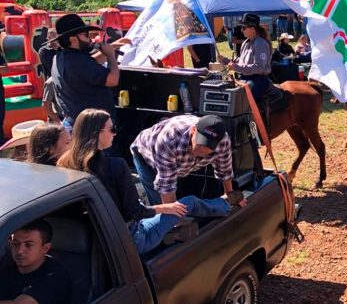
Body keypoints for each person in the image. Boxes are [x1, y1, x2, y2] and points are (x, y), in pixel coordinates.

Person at [59, 109, 241, 254]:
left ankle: (173, 231)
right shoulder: (119, 165)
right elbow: (137, 210)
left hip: (101, 238)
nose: (115, 133)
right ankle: (223, 207)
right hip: (133, 238)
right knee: (188, 203)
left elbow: (224, 169)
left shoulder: (65, 163)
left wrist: (229, 192)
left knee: (170, 209)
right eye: (112, 129)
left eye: (208, 148)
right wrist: (169, 211)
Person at [130, 114, 243, 208]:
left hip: (178, 164)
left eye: (208, 146)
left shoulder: (223, 142)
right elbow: (166, 185)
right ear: (193, 130)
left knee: (181, 202)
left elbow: (224, 170)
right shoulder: (169, 140)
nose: (203, 149)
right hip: (146, 154)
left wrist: (231, 197)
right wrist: (174, 219)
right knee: (161, 205)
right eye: (201, 143)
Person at [0, 220, 72, 304]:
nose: (20, 251)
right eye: (15, 244)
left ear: (45, 248)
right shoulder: (7, 264)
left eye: (28, 245)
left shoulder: (55, 277)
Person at [51, 14, 120, 129]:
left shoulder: (61, 57)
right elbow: (113, 79)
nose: (90, 39)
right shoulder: (78, 62)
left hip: (78, 123)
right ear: (73, 40)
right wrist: (110, 56)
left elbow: (91, 65)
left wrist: (111, 48)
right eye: (86, 35)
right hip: (94, 128)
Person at [221, 13, 274, 106]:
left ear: (253, 29)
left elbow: (259, 68)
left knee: (243, 103)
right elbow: (241, 60)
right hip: (245, 78)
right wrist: (226, 60)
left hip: (258, 80)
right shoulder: (246, 42)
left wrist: (236, 67)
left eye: (244, 28)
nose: (241, 30)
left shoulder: (260, 43)